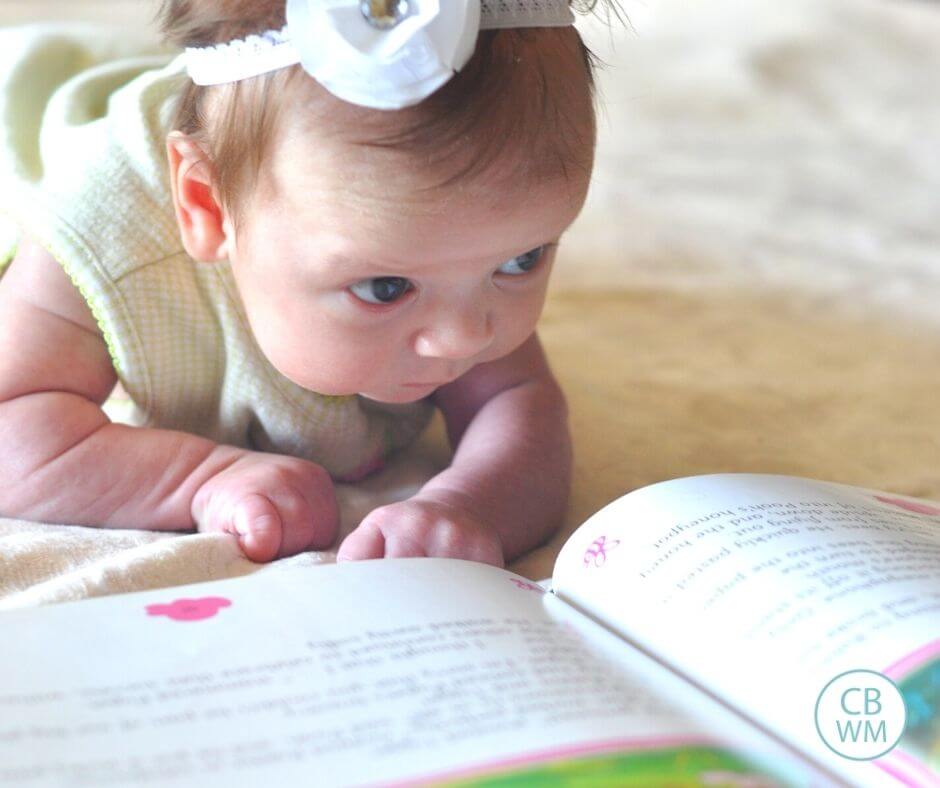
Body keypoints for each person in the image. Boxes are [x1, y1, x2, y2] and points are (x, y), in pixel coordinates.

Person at [0, 0, 603, 566]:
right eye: (386, 287)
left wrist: (471, 506)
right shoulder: (103, 245)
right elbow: (13, 433)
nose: (463, 338)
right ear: (208, 209)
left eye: (523, 259)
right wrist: (198, 478)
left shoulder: (447, 250)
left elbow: (516, 403)